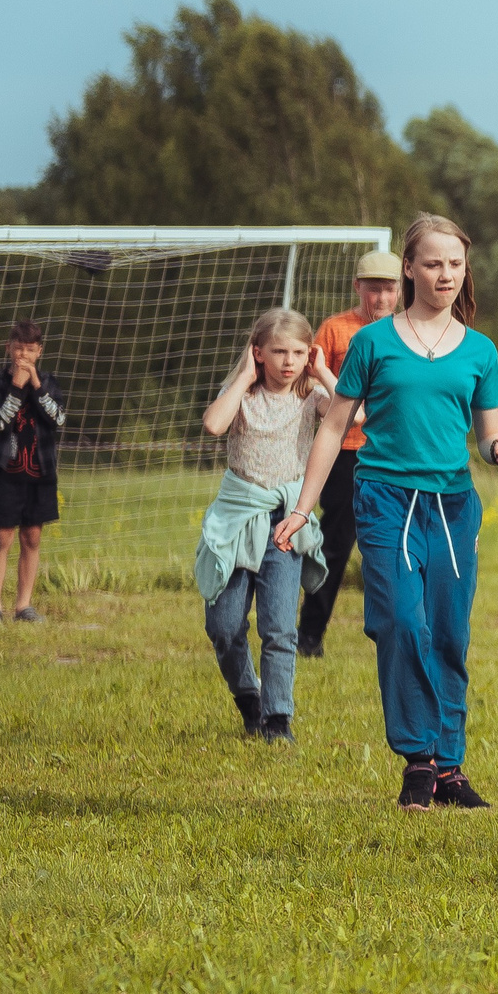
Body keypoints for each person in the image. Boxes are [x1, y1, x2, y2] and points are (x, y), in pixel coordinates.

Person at [275, 215, 498, 813]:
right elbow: (335, 425)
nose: (446, 275)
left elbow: (487, 433)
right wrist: (304, 509)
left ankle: (450, 768)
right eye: (434, 264)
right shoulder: (372, 342)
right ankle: (418, 759)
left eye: (456, 265)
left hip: (454, 506)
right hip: (385, 497)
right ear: (409, 268)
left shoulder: (481, 351)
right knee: (402, 624)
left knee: (450, 634)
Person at [196, 308, 328, 741]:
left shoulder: (312, 396)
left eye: (297, 352)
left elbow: (356, 416)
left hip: (285, 524)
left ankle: (277, 718)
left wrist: (323, 371)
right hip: (238, 521)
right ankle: (248, 697)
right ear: (259, 353)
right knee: (224, 625)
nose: (288, 362)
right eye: (278, 352)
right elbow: (214, 424)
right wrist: (244, 377)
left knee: (279, 628)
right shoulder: (243, 397)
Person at [297, 249, 405, 656]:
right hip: (345, 452)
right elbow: (310, 381)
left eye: (389, 289)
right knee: (337, 542)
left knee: (393, 543)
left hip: (393, 449)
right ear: (358, 287)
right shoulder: (336, 329)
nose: (381, 298)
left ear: (400, 290)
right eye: (373, 289)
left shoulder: (406, 331)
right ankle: (309, 635)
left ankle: (398, 632)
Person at [0, 318, 64, 623]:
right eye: (19, 349)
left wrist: (37, 387)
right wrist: (16, 387)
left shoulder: (50, 383)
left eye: (30, 350)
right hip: (7, 473)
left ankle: (23, 606)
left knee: (32, 538)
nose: (24, 356)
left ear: (39, 351)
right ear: (9, 348)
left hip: (41, 474)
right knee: (2, 538)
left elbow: (57, 420)